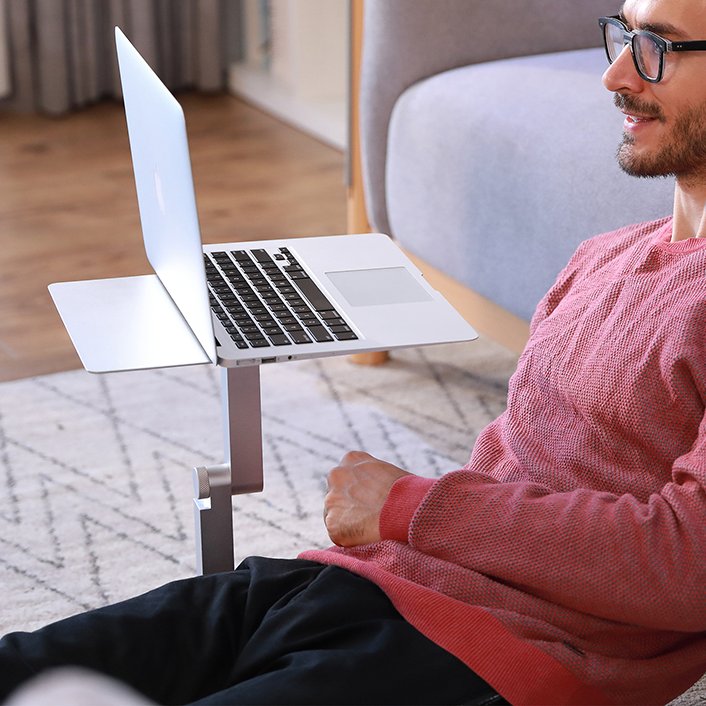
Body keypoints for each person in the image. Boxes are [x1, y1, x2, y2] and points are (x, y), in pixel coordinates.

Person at [2, 0, 706, 703]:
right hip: (360, 581)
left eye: (660, 48)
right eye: (625, 36)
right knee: (29, 667)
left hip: (495, 657)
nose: (616, 74)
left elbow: (685, 565)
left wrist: (413, 506)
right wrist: (406, 527)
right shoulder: (606, 255)